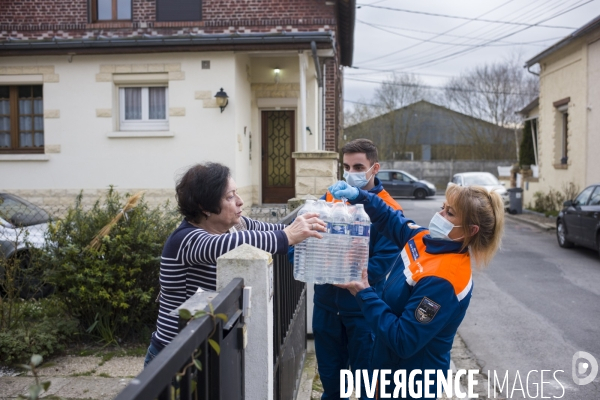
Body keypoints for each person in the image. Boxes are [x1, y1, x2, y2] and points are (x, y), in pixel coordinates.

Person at [329, 180, 504, 399]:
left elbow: (404, 340)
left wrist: (363, 292)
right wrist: (362, 197)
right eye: (443, 207)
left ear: (471, 230)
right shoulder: (424, 240)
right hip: (389, 373)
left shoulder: (443, 281)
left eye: (450, 213)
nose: (440, 215)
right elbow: (392, 221)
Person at [145, 162, 326, 367]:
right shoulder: (185, 240)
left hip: (202, 354)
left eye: (237, 193)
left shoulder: (235, 225)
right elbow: (223, 245)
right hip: (171, 360)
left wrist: (311, 221)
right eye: (230, 197)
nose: (240, 201)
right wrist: (287, 237)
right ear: (204, 207)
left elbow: (273, 230)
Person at [313, 139, 404, 400]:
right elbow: (306, 233)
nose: (351, 173)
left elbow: (382, 262)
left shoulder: (389, 209)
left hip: (362, 311)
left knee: (367, 386)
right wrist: (302, 259)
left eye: (358, 166)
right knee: (332, 385)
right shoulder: (330, 197)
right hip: (327, 307)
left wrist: (343, 273)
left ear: (375, 168)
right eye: (346, 166)